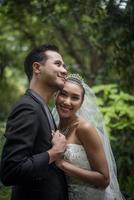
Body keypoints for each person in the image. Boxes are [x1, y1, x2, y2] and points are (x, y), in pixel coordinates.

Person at [0, 44, 69, 200]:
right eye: (57, 64)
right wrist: (53, 153)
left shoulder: (42, 107)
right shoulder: (28, 108)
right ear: (37, 68)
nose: (65, 70)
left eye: (64, 66)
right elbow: (10, 171)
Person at [52, 74, 125, 200]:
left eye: (75, 98)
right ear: (56, 95)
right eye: (63, 94)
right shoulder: (56, 127)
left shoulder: (84, 128)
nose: (67, 102)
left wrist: (62, 164)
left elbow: (104, 179)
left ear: (81, 103)